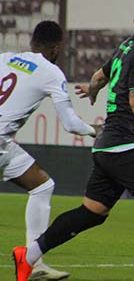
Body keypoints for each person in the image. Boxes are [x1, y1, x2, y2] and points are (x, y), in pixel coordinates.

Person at [12, 0, 134, 281]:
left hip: (105, 144)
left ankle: (27, 257)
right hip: (123, 145)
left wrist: (92, 90)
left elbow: (99, 76)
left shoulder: (126, 46)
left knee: (92, 212)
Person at [1, 21, 97, 281]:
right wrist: (94, 130)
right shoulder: (50, 72)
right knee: (42, 187)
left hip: (3, 144)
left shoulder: (5, 58)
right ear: (55, 48)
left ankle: (34, 262)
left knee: (42, 186)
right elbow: (70, 124)